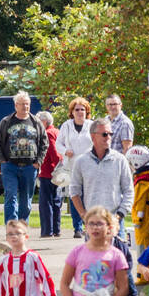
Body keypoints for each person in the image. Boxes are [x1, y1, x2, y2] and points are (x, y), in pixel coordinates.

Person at [68, 117, 134, 241]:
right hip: (92, 225)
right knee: (92, 260)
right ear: (93, 137)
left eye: (110, 134)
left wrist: (118, 216)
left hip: (115, 223)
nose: (108, 137)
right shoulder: (81, 161)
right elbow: (74, 191)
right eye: (104, 134)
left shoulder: (120, 160)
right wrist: (84, 215)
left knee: (118, 259)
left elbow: (129, 191)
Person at [0, 91, 45, 225]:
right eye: (22, 104)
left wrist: (38, 162)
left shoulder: (36, 122)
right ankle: (11, 228)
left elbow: (44, 143)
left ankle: (22, 227)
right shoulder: (6, 122)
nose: (25, 107)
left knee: (26, 201)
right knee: (11, 197)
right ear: (15, 105)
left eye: (27, 104)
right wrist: (2, 160)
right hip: (10, 167)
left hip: (29, 167)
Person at [56, 97, 94, 238]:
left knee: (88, 196)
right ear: (72, 112)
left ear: (87, 111)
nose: (79, 112)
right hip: (72, 165)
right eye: (76, 109)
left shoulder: (91, 125)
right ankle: (77, 228)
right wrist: (65, 151)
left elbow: (97, 143)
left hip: (89, 166)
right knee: (75, 195)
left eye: (82, 109)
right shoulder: (66, 125)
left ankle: (89, 225)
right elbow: (57, 144)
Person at [36, 111, 62, 237]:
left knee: (46, 203)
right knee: (56, 201)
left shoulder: (47, 133)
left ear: (44, 122)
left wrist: (58, 167)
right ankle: (56, 229)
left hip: (48, 172)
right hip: (56, 173)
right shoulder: (57, 131)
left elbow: (53, 152)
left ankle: (47, 231)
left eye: (38, 121)